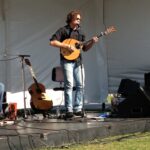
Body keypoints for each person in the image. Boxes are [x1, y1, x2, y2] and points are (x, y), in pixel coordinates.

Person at [50, 10, 99, 119]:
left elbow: (85, 49)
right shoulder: (63, 30)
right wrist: (67, 46)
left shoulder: (81, 33)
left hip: (78, 62)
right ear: (71, 19)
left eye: (80, 19)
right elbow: (52, 42)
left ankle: (77, 108)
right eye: (77, 18)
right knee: (69, 84)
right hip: (66, 61)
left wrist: (92, 42)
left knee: (81, 85)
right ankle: (69, 110)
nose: (79, 20)